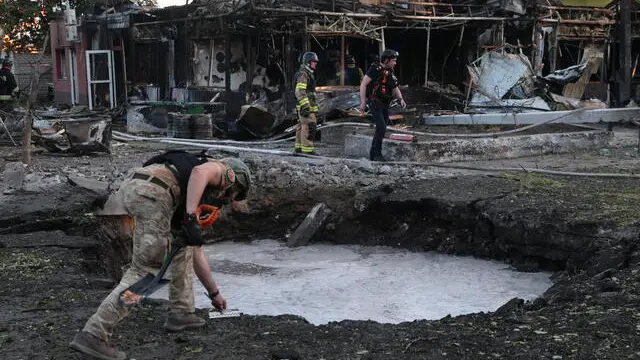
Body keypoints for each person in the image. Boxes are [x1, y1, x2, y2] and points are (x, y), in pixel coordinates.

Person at [69, 150, 252, 360]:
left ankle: (181, 313)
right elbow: (201, 173)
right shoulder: (224, 171)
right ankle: (94, 334)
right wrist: (191, 216)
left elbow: (196, 251)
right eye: (232, 196)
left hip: (141, 188)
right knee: (145, 270)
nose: (225, 201)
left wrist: (214, 294)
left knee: (183, 249)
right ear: (236, 182)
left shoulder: (185, 189)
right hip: (153, 194)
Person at [358, 49, 407, 162]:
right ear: (387, 60)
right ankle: (376, 154)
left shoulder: (389, 72)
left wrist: (401, 99)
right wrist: (363, 102)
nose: (395, 63)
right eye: (393, 61)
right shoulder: (375, 69)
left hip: (385, 104)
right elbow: (363, 84)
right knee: (380, 127)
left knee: (382, 128)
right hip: (375, 102)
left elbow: (395, 87)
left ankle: (374, 153)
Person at [293, 52, 320, 154]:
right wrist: (305, 105)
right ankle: (307, 150)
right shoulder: (304, 73)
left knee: (302, 126)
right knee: (309, 126)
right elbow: (299, 90)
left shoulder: (306, 73)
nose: (315, 64)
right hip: (305, 106)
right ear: (308, 62)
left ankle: (299, 148)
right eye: (314, 62)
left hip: (306, 106)